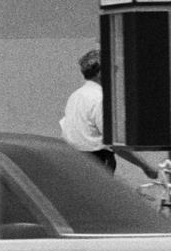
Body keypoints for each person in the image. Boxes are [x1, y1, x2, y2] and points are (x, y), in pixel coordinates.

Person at [59, 48, 160, 177]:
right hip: (97, 163)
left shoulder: (75, 96)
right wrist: (145, 166)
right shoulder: (101, 99)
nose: (116, 72)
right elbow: (113, 143)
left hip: (73, 162)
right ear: (101, 72)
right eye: (113, 68)